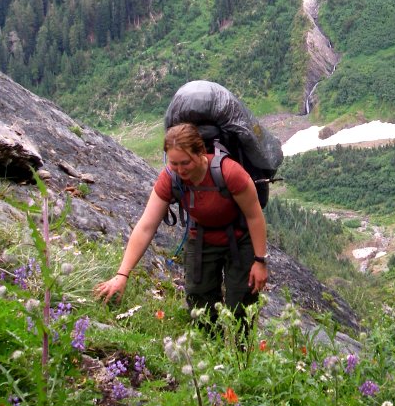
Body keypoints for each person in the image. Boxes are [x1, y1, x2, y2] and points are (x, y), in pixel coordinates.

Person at [94, 122, 269, 327]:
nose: (179, 170)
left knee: (241, 305)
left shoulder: (229, 173)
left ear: (201, 152)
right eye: (173, 163)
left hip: (240, 240)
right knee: (199, 300)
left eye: (185, 163)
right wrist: (122, 274)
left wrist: (260, 261)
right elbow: (146, 226)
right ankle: (210, 347)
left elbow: (254, 216)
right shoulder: (170, 179)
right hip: (202, 237)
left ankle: (239, 353)